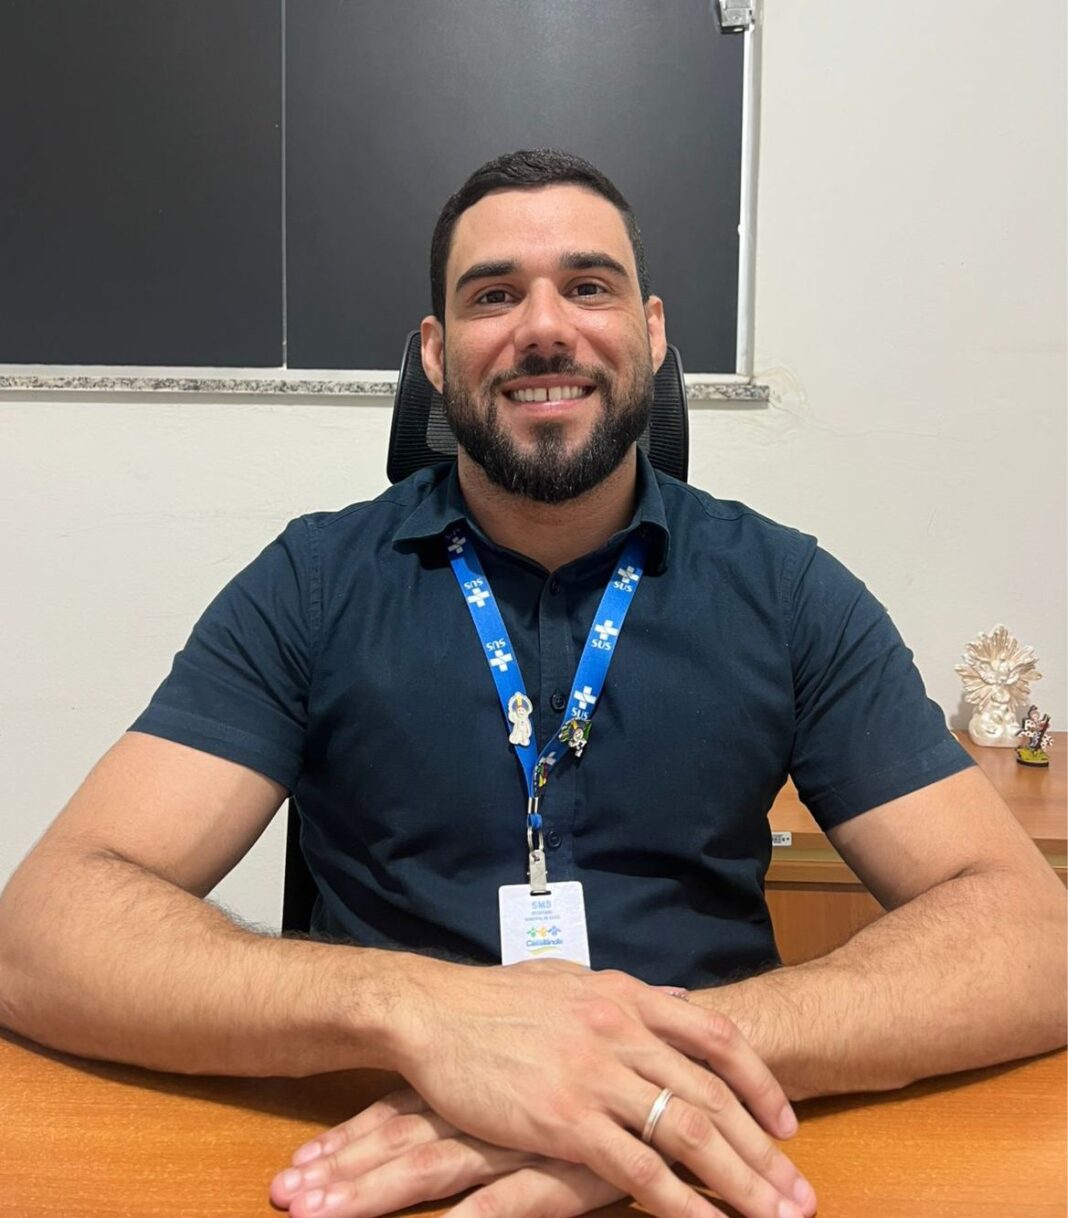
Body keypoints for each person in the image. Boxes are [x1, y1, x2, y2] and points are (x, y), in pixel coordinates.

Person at [0, 150, 1063, 1218]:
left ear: (652, 331)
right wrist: (423, 1015)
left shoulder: (788, 591)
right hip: (379, 1162)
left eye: (588, 286)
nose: (545, 327)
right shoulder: (311, 584)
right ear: (435, 352)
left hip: (709, 1158)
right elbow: (41, 935)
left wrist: (643, 1075)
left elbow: (1034, 939)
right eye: (494, 295)